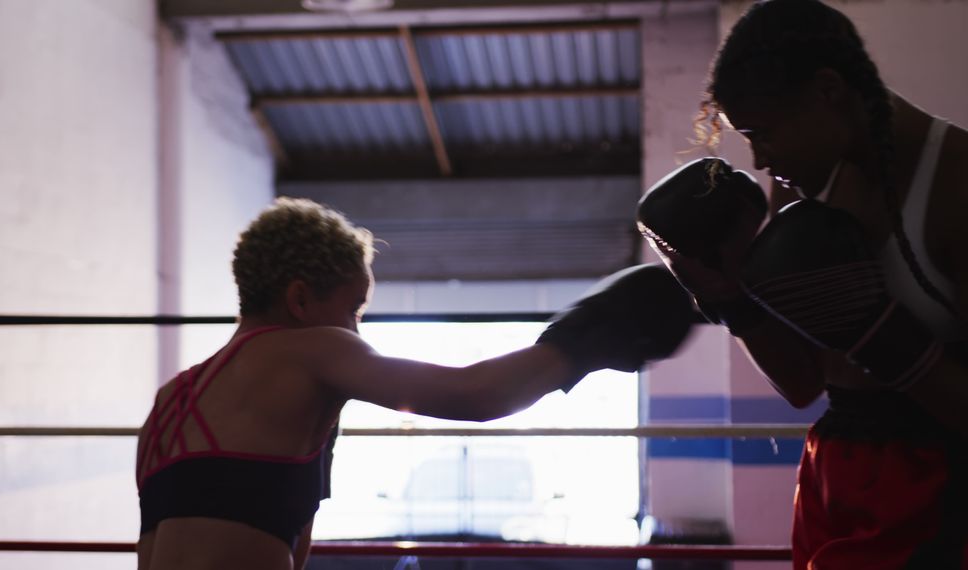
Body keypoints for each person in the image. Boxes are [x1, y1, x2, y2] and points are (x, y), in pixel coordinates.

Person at [134, 196, 695, 570]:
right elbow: (475, 395)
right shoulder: (313, 347)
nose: (356, 328)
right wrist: (580, 343)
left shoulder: (171, 400)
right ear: (301, 298)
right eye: (353, 308)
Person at [643, 1, 968, 568]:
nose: (762, 160)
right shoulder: (801, 186)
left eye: (763, 134)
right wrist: (728, 298)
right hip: (833, 474)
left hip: (941, 485)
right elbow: (802, 384)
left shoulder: (958, 184)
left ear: (827, 90)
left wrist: (880, 337)